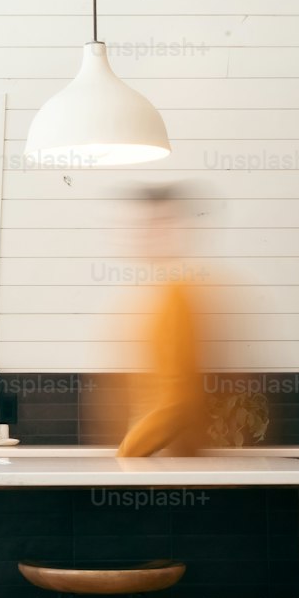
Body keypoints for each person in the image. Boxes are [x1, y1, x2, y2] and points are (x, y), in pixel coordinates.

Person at [116, 184, 208, 457]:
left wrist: (126, 454)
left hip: (166, 460)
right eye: (143, 226)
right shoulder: (154, 296)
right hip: (157, 458)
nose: (148, 235)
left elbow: (178, 401)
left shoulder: (176, 297)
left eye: (160, 224)